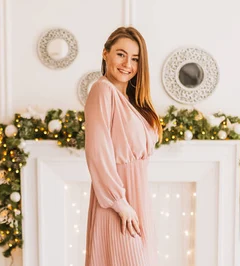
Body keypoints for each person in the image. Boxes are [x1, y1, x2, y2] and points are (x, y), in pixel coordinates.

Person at [84, 26, 162, 266]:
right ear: (105, 53)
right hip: (116, 203)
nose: (127, 63)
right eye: (121, 54)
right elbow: (98, 152)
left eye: (135, 58)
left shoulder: (132, 100)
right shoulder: (102, 90)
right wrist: (120, 203)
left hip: (137, 200)